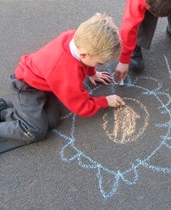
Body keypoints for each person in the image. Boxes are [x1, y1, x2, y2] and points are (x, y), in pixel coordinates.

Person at [0, 13, 125, 153]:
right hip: (26, 85)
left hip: (45, 84)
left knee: (52, 120)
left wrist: (92, 73)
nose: (100, 64)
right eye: (99, 62)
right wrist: (105, 101)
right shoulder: (66, 72)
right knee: (35, 130)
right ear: (84, 55)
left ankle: (5, 113)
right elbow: (81, 107)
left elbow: (86, 62)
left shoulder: (78, 39)